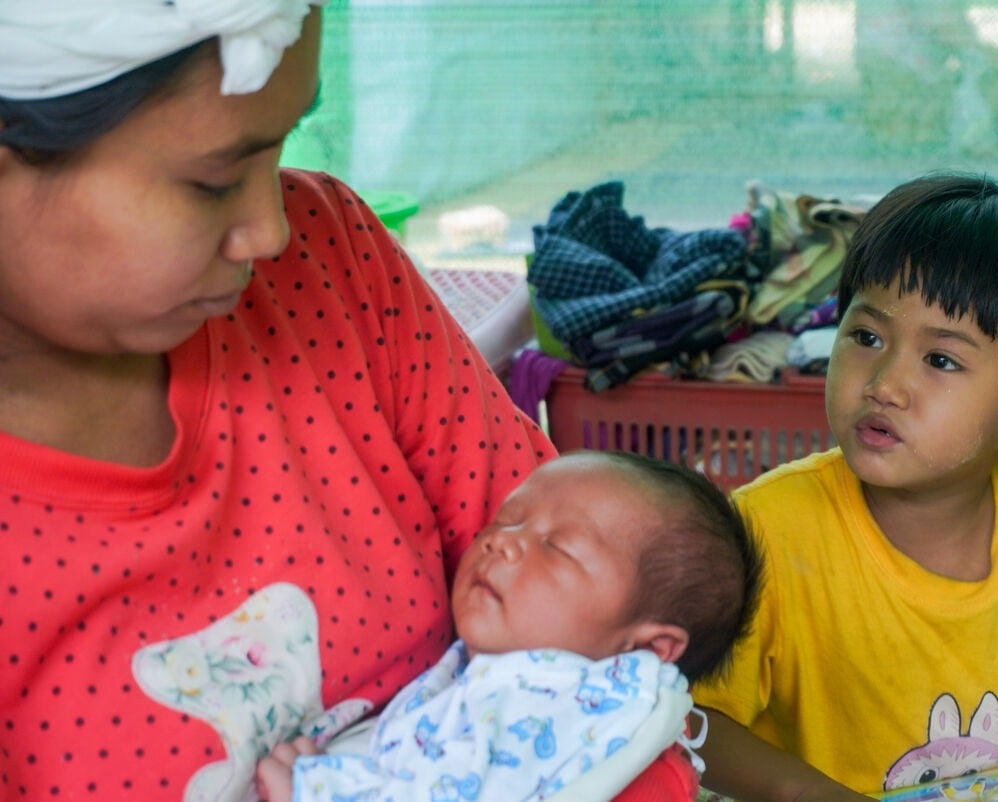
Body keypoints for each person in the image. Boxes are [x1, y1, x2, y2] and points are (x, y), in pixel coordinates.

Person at [0, 5, 696, 800]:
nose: (268, 229)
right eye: (214, 182)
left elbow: (598, 638)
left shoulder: (329, 265)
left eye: (285, 146)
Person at [690, 173, 998, 802]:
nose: (883, 383)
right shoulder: (765, 529)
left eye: (941, 361)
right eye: (867, 337)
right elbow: (693, 721)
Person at [254, 449, 762, 801]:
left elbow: (456, 788)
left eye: (559, 548)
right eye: (505, 520)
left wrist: (317, 787)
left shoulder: (547, 700)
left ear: (649, 650)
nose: (502, 542)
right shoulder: (528, 684)